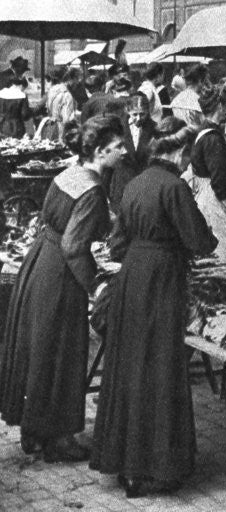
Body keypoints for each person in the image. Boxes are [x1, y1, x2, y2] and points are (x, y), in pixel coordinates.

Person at [90, 129, 217, 498]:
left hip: (132, 277)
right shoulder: (174, 187)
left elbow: (117, 244)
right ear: (178, 152)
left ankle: (128, 467)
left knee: (130, 366)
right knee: (161, 366)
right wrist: (203, 241)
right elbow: (199, 241)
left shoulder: (134, 183)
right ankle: (158, 468)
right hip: (163, 279)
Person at [0, 116, 123, 460]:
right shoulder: (93, 189)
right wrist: (96, 285)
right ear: (100, 151)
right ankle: (59, 440)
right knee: (63, 353)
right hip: (61, 274)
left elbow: (49, 219)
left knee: (40, 350)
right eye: (117, 148)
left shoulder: (67, 173)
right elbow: (73, 246)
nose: (124, 152)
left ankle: (34, 431)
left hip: (40, 262)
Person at [185, 84, 226, 260]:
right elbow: (218, 182)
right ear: (220, 106)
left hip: (207, 195)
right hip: (215, 199)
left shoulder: (206, 131)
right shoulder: (212, 139)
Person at [105, 93, 156, 214]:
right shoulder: (116, 129)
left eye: (142, 114)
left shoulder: (154, 128)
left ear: (148, 112)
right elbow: (107, 164)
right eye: (134, 114)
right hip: (122, 183)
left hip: (144, 183)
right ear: (127, 111)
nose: (138, 118)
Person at [0, 69, 34, 138]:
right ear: (20, 85)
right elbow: (25, 114)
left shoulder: (1, 93)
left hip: (3, 125)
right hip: (17, 126)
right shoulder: (22, 95)